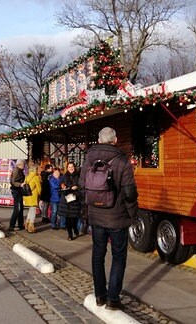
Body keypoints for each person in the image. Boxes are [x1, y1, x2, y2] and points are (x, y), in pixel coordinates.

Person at [79, 127, 138, 311]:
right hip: (117, 217)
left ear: (98, 139)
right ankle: (113, 298)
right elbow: (129, 192)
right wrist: (132, 212)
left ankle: (99, 296)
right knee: (118, 256)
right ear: (115, 140)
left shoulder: (88, 158)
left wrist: (87, 210)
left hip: (96, 217)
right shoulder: (122, 160)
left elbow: (82, 186)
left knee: (98, 256)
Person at [57, 162, 82, 240]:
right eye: (69, 167)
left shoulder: (79, 176)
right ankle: (70, 235)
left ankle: (75, 228)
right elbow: (61, 185)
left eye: (72, 167)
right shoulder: (64, 176)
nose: (71, 168)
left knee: (74, 218)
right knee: (68, 218)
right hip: (66, 200)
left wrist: (77, 187)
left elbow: (82, 186)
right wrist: (63, 186)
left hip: (75, 200)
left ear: (74, 167)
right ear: (67, 168)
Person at [9, 159, 26, 231]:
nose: (24, 166)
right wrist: (20, 184)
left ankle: (20, 224)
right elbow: (13, 181)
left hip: (18, 190)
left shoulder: (20, 170)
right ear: (20, 164)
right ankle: (12, 225)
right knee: (17, 208)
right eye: (23, 164)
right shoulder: (16, 170)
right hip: (16, 190)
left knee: (20, 208)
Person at [23, 165, 41, 233]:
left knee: (30, 209)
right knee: (33, 210)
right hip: (33, 196)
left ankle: (27, 224)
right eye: (36, 169)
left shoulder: (27, 177)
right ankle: (31, 226)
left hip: (27, 196)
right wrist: (40, 194)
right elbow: (39, 188)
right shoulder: (36, 177)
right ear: (35, 170)